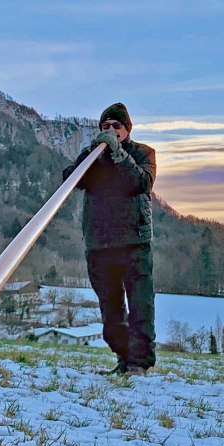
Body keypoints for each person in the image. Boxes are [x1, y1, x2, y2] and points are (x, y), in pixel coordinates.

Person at [63, 102, 157, 376]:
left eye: (117, 126)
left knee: (141, 305)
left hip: (134, 242)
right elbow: (71, 180)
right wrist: (92, 154)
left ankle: (139, 363)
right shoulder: (93, 156)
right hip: (99, 244)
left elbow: (142, 182)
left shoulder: (143, 153)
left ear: (127, 129)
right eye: (106, 126)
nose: (111, 130)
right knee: (110, 309)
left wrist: (118, 155)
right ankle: (123, 357)